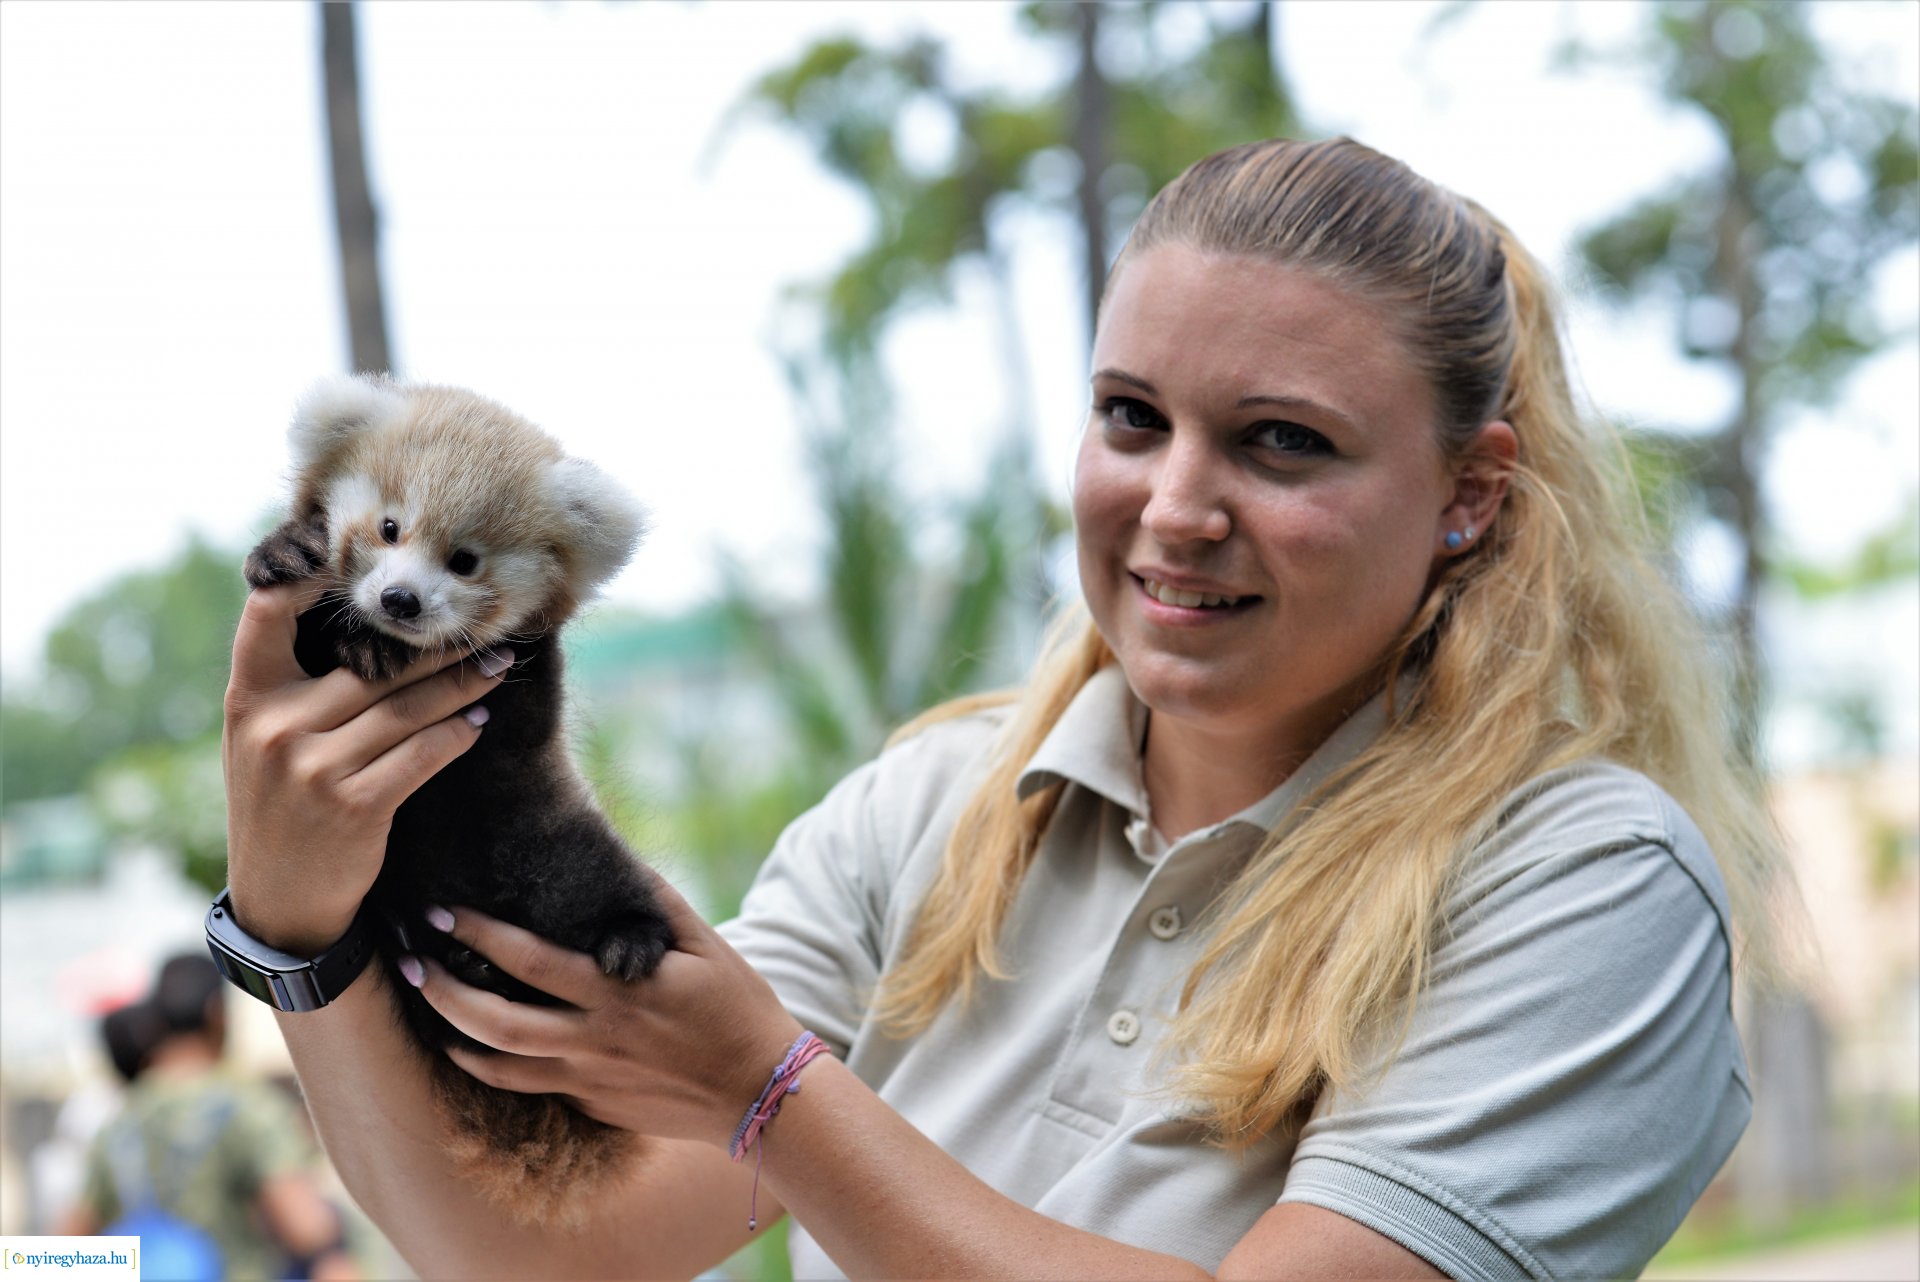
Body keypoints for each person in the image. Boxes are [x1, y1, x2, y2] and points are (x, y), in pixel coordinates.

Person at [219, 137, 1795, 1280]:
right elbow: (540, 1252)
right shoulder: (928, 812)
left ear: (1467, 496)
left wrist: (773, 1093)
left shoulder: (1589, 878)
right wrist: (303, 923)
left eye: (1282, 443)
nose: (1176, 504)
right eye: (1131, 417)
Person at [58, 954, 361, 1282]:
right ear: (217, 1013)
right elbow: (304, 1226)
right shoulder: (248, 1108)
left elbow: (65, 1251)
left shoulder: (119, 1123)